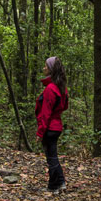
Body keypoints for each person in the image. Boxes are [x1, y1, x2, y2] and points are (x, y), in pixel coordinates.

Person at [35, 56, 68, 193]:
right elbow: (65, 106)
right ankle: (58, 183)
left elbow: (45, 113)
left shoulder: (50, 88)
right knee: (52, 156)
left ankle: (56, 185)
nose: (44, 68)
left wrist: (40, 132)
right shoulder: (61, 87)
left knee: (51, 157)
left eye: (46, 66)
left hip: (50, 127)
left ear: (51, 69)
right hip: (57, 126)